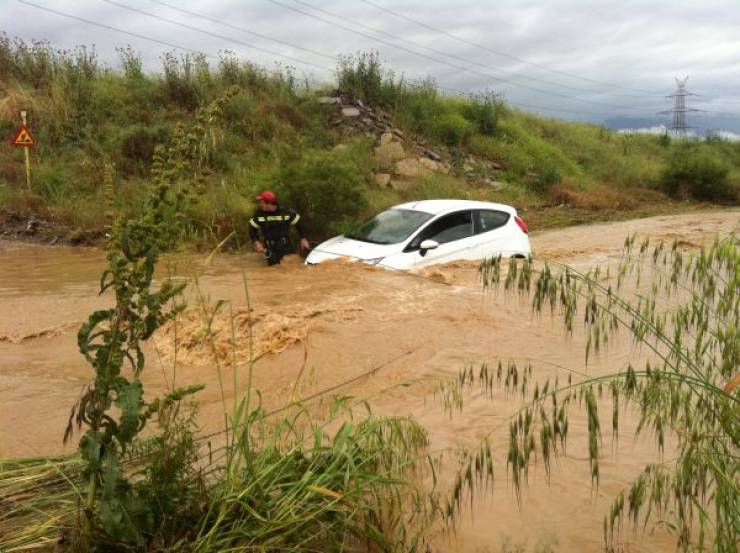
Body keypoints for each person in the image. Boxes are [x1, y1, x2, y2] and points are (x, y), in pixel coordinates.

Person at [249, 190, 309, 265]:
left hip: (286, 245)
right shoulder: (259, 214)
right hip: (269, 247)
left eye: (262, 202)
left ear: (269, 204)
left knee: (293, 267)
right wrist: (256, 242)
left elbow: (299, 224)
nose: (260, 204)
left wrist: (303, 239)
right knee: (274, 270)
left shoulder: (286, 212)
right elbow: (252, 229)